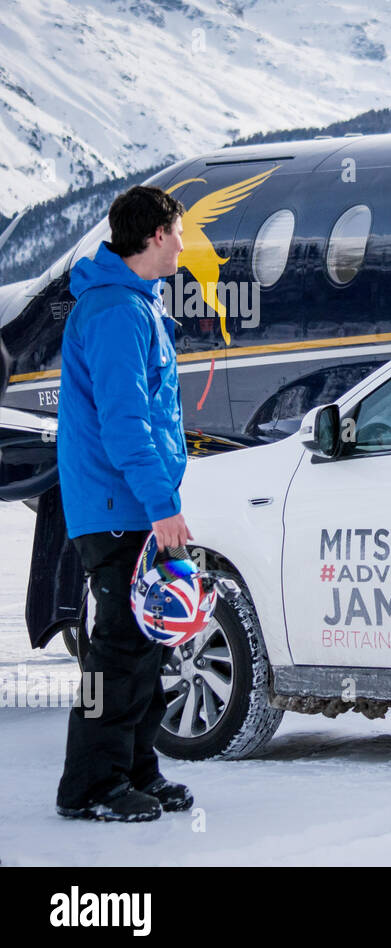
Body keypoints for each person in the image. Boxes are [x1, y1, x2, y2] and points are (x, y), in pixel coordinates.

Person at [54, 185, 196, 822]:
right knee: (113, 651)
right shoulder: (116, 311)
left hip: (130, 505)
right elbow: (125, 423)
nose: (186, 244)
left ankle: (136, 770)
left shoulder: (133, 305)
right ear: (157, 234)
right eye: (180, 231)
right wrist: (162, 504)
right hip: (119, 508)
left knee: (143, 644)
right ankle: (90, 786)